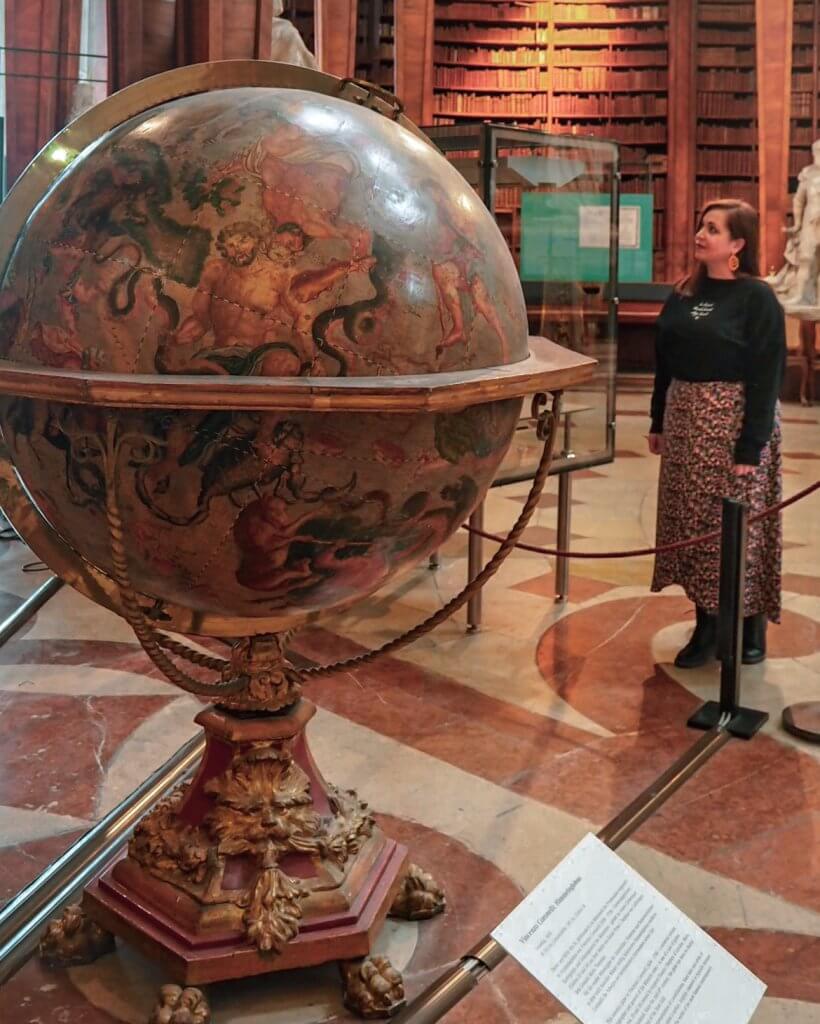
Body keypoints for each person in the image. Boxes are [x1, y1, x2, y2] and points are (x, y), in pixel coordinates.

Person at [648, 198, 785, 668]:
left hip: (732, 424)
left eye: (712, 229)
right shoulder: (684, 292)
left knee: (739, 528)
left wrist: (751, 446)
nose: (700, 235)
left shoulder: (757, 298)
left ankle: (750, 625)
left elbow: (767, 374)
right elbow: (664, 361)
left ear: (737, 244)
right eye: (701, 226)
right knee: (694, 529)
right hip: (686, 423)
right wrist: (658, 420)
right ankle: (707, 625)